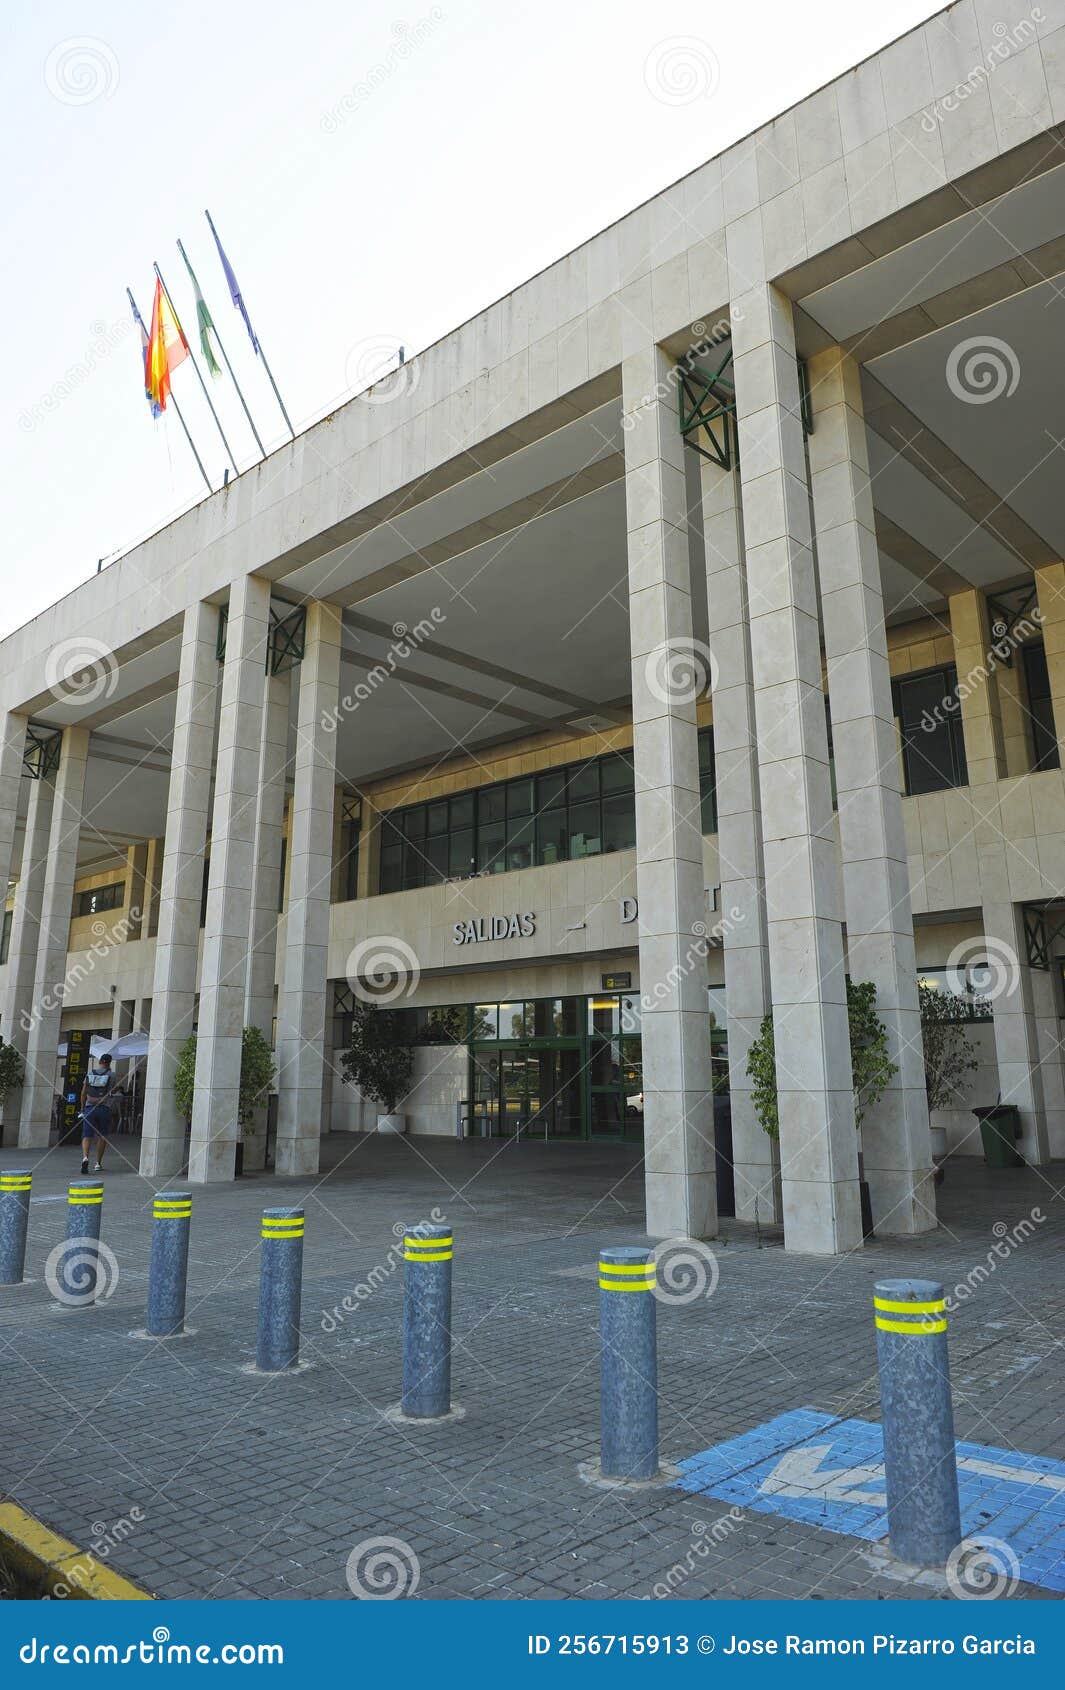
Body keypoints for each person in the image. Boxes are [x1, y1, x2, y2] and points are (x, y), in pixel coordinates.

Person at [79, 1053, 121, 1174]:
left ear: (100, 1062)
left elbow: (83, 1093)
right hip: (104, 1108)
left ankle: (85, 1157)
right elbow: (114, 1089)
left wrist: (82, 1109)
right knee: (102, 1135)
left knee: (87, 1135)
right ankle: (98, 1163)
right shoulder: (112, 1075)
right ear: (109, 1063)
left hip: (89, 1108)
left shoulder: (90, 1073)